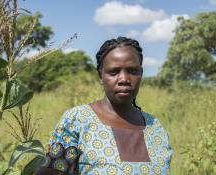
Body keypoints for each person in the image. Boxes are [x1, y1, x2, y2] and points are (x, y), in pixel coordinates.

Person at [35, 37, 173, 175]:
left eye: (132, 71)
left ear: (141, 74)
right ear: (100, 76)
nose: (124, 79)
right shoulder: (78, 121)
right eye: (114, 72)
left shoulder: (155, 127)